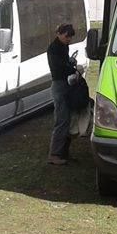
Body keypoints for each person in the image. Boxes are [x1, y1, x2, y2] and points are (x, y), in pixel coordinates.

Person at [47, 23, 76, 165]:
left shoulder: (64, 46)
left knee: (67, 120)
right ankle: (54, 154)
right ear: (59, 33)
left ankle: (64, 152)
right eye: (66, 37)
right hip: (59, 84)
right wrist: (72, 68)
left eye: (70, 37)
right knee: (61, 120)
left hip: (65, 83)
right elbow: (59, 67)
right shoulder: (53, 48)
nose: (68, 39)